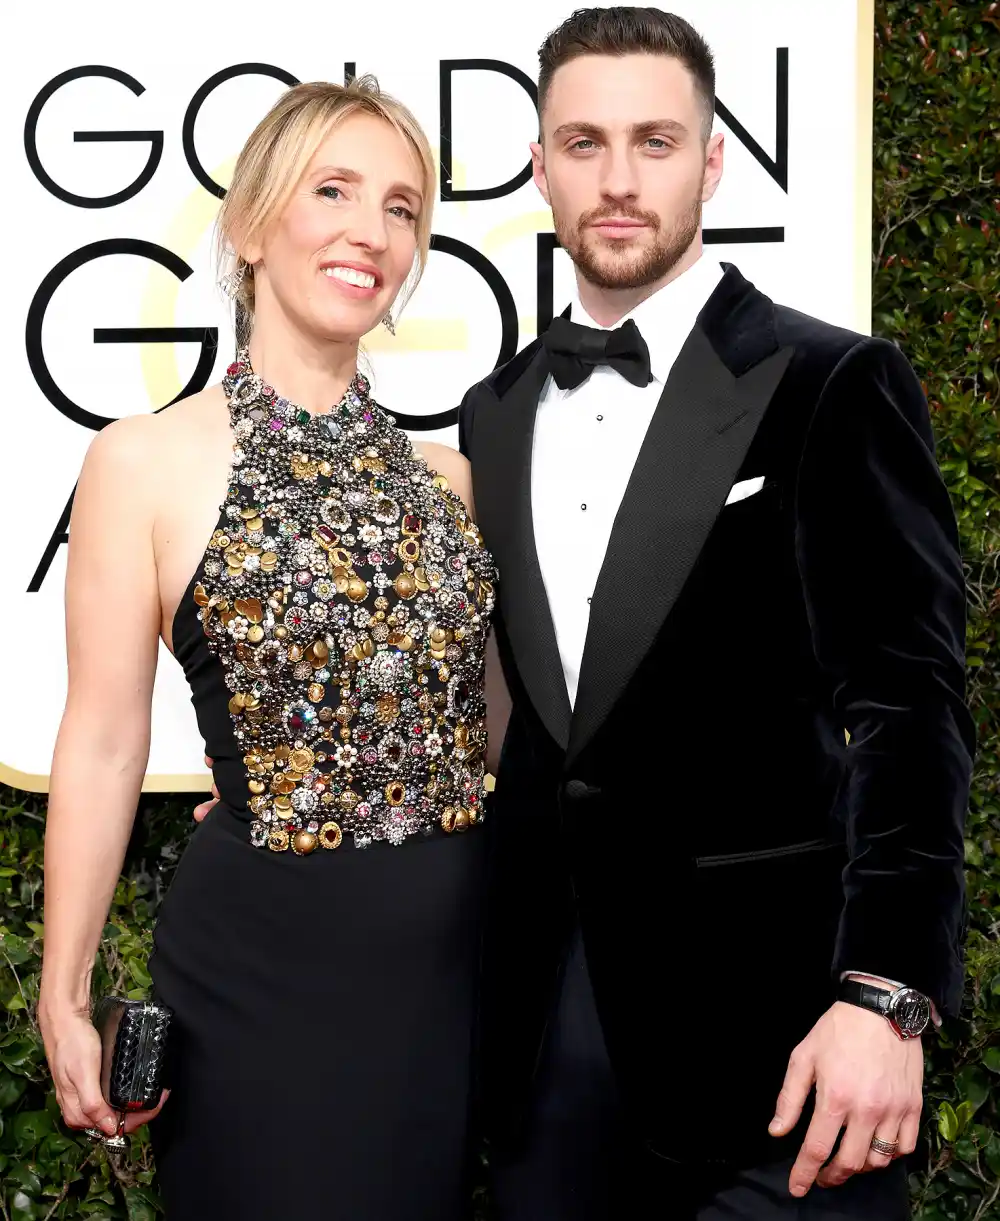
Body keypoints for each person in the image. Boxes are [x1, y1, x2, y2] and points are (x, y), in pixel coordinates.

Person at [455, 8, 972, 1220]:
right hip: (543, 1051)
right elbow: (512, 717)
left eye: (654, 140)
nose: (619, 179)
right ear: (539, 165)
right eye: (582, 143)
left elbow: (908, 707)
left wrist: (886, 992)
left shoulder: (831, 381)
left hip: (782, 1055)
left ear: (711, 159)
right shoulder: (496, 412)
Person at [39, 77, 498, 1220]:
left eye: (400, 207)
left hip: (449, 967)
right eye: (331, 190)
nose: (370, 231)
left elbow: (497, 726)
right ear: (248, 226)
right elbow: (102, 740)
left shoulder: (453, 481)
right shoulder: (142, 461)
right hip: (256, 969)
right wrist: (62, 990)